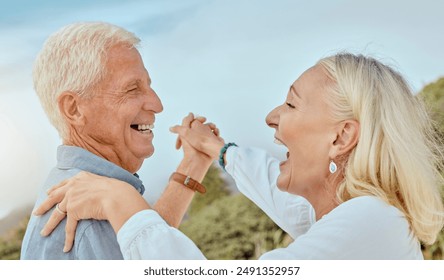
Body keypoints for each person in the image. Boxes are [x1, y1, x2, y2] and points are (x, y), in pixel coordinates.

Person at [35, 53, 444, 259]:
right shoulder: (357, 218)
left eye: (292, 105)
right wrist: (214, 151)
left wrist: (119, 201)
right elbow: (275, 188)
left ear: (342, 137)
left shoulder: (369, 223)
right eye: (132, 89)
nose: (271, 117)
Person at [22, 22, 217, 259]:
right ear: (74, 109)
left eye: (148, 86)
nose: (157, 105)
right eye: (133, 89)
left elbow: (146, 245)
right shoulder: (89, 215)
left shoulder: (91, 193)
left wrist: (194, 162)